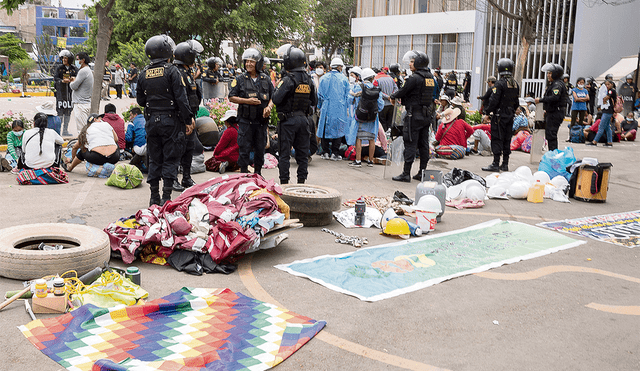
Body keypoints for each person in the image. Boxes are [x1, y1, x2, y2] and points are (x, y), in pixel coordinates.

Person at [136, 34, 195, 206]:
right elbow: (181, 99)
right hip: (171, 122)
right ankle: (166, 197)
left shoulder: (143, 73)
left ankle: (153, 196)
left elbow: (140, 101)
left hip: (152, 121)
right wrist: (188, 119)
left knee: (154, 158)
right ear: (167, 51)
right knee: (171, 158)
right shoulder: (172, 71)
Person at [271, 44, 316, 184]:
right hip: (304, 120)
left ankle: (284, 183)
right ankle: (301, 182)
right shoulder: (309, 80)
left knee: (284, 154)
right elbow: (314, 100)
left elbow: (276, 99)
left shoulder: (288, 79)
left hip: (288, 121)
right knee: (302, 154)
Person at [389, 50, 436, 182]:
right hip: (426, 115)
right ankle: (422, 172)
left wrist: (392, 96)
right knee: (423, 144)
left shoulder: (414, 78)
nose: (410, 64)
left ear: (418, 63)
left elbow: (402, 91)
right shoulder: (430, 78)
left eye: (412, 61)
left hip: (413, 116)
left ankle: (406, 173)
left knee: (410, 143)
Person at [228, 48, 274, 176]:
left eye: (252, 62)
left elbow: (273, 96)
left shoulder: (266, 79)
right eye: (247, 61)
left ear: (258, 63)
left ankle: (258, 174)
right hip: (245, 121)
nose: (248, 64)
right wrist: (247, 101)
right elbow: (231, 96)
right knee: (244, 149)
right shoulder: (240, 79)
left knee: (260, 149)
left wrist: (268, 107)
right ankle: (243, 175)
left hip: (261, 122)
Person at [482, 58, 520, 172]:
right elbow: (516, 102)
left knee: (497, 138)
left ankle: (495, 163)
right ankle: (505, 164)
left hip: (499, 116)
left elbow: (494, 101)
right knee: (507, 139)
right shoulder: (514, 84)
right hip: (510, 116)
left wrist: (487, 112)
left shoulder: (500, 84)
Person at [346, 67, 384, 168]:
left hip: (360, 117)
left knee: (359, 138)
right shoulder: (376, 89)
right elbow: (381, 105)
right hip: (372, 119)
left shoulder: (358, 87)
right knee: (372, 139)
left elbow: (350, 100)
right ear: (372, 78)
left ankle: (358, 161)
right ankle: (370, 161)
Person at [317, 57, 350, 160]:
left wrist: (319, 107)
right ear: (340, 67)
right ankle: (335, 153)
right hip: (339, 109)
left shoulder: (323, 78)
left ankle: (325, 152)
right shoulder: (344, 79)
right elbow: (347, 96)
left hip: (326, 107)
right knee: (339, 130)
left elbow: (319, 95)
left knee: (324, 129)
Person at [535, 63, 567, 152]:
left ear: (556, 73)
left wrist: (540, 100)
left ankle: (553, 156)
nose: (548, 75)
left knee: (551, 135)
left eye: (550, 73)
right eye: (548, 73)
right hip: (552, 112)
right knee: (549, 134)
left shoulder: (557, 85)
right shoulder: (554, 84)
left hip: (555, 113)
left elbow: (554, 97)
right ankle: (552, 154)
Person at [53, 50, 77, 136]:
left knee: (68, 113)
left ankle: (65, 130)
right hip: (60, 95)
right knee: (60, 113)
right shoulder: (59, 68)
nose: (64, 59)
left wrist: (72, 79)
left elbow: (77, 79)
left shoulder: (74, 69)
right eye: (63, 58)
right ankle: (58, 131)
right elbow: (55, 78)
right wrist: (62, 81)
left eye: (66, 58)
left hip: (70, 95)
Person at [587, 79, 616, 147]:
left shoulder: (612, 91)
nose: (607, 86)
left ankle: (594, 141)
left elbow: (605, 98)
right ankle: (609, 142)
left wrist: (603, 98)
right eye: (606, 85)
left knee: (601, 126)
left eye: (608, 84)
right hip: (607, 111)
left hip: (608, 111)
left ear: (612, 84)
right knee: (607, 127)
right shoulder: (607, 91)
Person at [69, 52, 93, 134]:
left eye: (77, 60)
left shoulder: (83, 71)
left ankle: (83, 146)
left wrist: (72, 81)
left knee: (82, 131)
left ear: (83, 60)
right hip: (85, 103)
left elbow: (73, 86)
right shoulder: (88, 70)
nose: (76, 62)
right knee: (86, 129)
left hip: (80, 105)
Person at [373, 67, 398, 131]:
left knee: (383, 123)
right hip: (392, 104)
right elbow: (396, 89)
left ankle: (384, 138)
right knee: (390, 123)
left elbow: (377, 91)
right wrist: (392, 96)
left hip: (382, 105)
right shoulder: (391, 78)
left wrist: (387, 97)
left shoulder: (376, 79)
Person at [125, 107, 147, 172]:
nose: (130, 117)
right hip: (149, 144)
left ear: (135, 115)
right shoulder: (147, 119)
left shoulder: (132, 122)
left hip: (137, 146)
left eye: (131, 115)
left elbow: (128, 138)